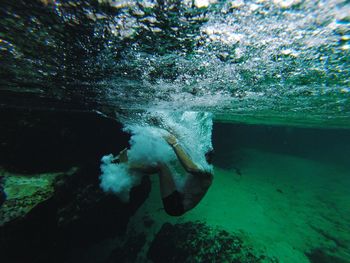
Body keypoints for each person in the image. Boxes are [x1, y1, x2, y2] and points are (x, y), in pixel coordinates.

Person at [114, 133, 214, 216]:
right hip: (178, 193)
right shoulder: (201, 162)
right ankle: (130, 164)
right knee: (162, 161)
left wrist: (174, 143)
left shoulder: (207, 172)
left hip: (176, 207)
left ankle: (126, 165)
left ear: (207, 157)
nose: (197, 153)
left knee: (161, 166)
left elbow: (190, 168)